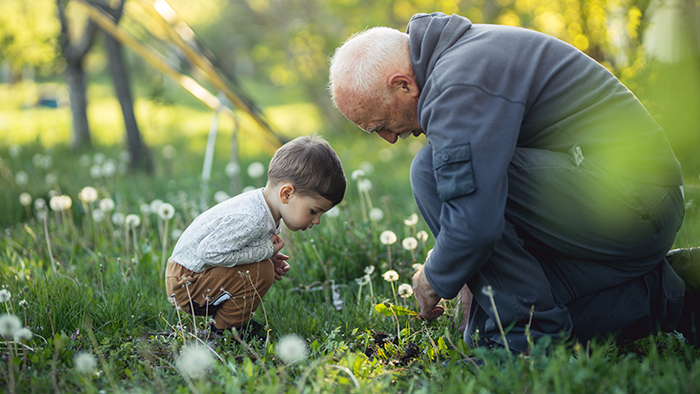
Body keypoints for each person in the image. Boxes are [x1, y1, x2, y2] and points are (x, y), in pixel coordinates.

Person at [329, 12, 699, 352]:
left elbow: (475, 225)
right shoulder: (455, 63)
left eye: (379, 125)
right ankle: (674, 293)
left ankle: (530, 340)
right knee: (486, 328)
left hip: (634, 201)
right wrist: (475, 278)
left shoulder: (459, 80)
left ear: (402, 85)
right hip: (621, 202)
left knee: (427, 170)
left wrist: (433, 279)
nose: (389, 139)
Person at [165, 135, 346, 336]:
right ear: (286, 194)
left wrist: (267, 257)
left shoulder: (264, 207)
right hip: (185, 284)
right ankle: (226, 332)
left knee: (263, 269)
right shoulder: (252, 218)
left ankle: (232, 325)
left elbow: (232, 246)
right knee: (262, 272)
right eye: (314, 211)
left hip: (194, 275)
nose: (317, 221)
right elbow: (209, 252)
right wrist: (263, 253)